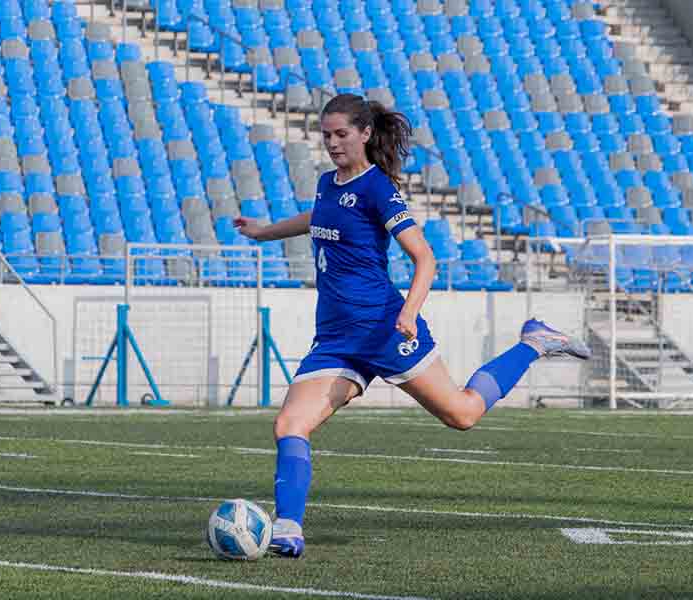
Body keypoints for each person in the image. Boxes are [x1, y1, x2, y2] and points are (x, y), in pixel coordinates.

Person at [233, 93, 590, 558]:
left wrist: (408, 311)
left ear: (364, 133)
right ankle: (287, 528)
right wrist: (264, 231)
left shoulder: (380, 188)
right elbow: (319, 219)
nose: (333, 144)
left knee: (462, 414)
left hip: (386, 330)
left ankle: (534, 342)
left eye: (342, 134)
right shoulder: (327, 184)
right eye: (326, 136)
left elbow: (424, 257)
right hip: (337, 341)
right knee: (289, 424)